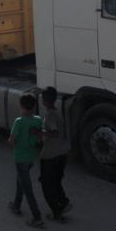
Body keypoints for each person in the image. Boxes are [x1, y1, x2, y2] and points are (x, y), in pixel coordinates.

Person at [8, 93, 45, 228]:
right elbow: (40, 139)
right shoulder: (38, 120)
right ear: (34, 106)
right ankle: (16, 205)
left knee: (27, 188)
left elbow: (11, 141)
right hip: (31, 157)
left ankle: (37, 217)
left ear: (21, 106)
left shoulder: (19, 122)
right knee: (21, 180)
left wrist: (13, 144)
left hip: (20, 157)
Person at [39, 87, 71, 223]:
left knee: (46, 184)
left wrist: (39, 132)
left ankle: (56, 211)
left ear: (44, 101)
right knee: (56, 181)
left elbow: (54, 133)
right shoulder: (58, 113)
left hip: (50, 154)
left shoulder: (49, 116)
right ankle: (63, 201)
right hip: (61, 153)